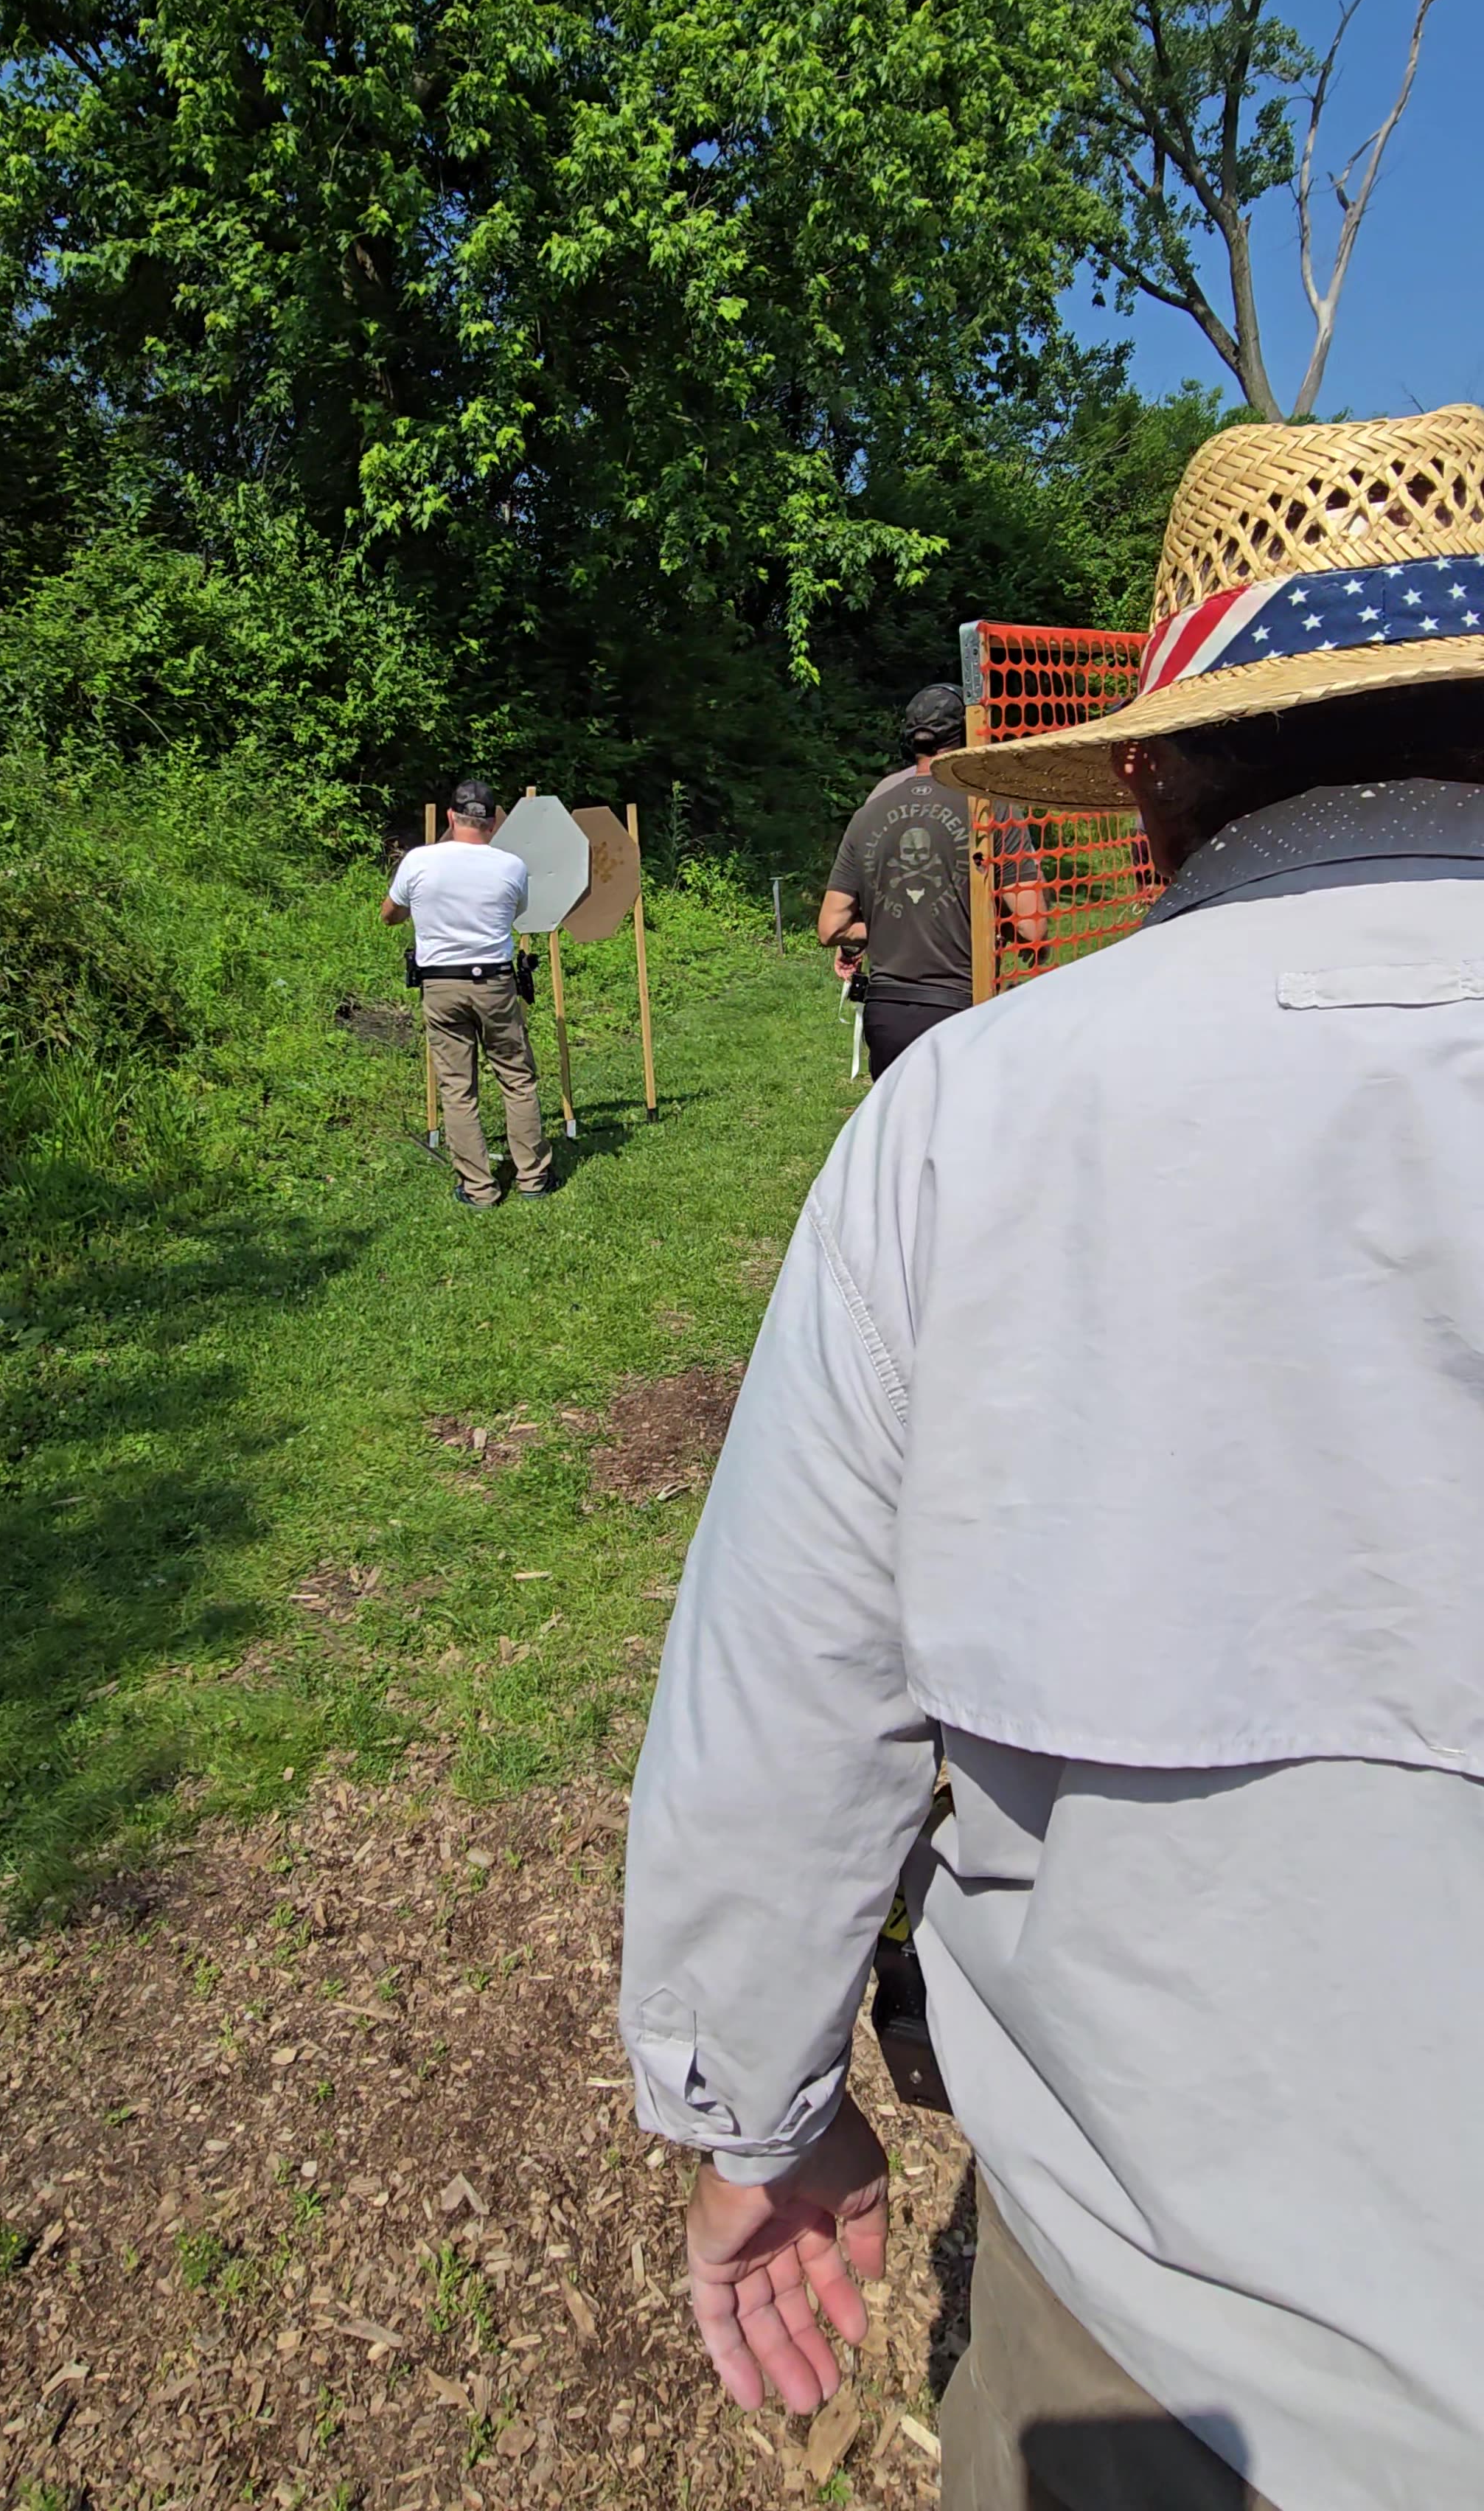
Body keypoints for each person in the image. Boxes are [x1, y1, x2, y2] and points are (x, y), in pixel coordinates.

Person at [619, 402, 1484, 2511]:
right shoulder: (974, 1023)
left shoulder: (963, 1128)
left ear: (1165, 774)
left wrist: (757, 2113)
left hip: (1169, 2360)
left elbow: (784, 1701)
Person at [817, 683, 1048, 1077]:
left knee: (903, 1134)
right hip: (963, 1008)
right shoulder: (990, 807)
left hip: (887, 1013)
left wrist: (896, 923)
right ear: (972, 733)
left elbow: (831, 926)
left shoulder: (870, 812)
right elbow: (1032, 925)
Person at [382, 777, 554, 1206]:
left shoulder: (419, 861)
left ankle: (478, 1188)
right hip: (495, 982)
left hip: (441, 983)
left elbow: (389, 915)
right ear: (493, 822)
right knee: (516, 1078)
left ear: (449, 817)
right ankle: (532, 1177)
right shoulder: (511, 866)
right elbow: (517, 914)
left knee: (458, 1088)